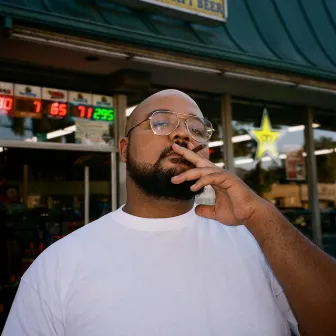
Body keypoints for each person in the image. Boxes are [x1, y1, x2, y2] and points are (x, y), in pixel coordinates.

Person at [3, 90, 336, 336]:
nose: (181, 134)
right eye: (160, 122)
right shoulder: (59, 265)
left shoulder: (260, 243)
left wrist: (262, 216)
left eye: (196, 128)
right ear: (123, 148)